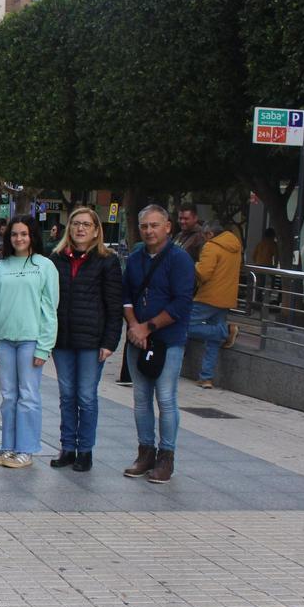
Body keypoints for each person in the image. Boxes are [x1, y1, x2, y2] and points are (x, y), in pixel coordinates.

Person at [122, 204, 196, 484]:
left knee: (165, 398)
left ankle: (166, 456)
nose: (149, 231)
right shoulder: (135, 258)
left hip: (168, 340)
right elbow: (126, 296)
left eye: (154, 225)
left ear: (167, 227)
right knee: (141, 398)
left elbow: (182, 302)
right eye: (144, 226)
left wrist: (148, 327)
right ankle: (145, 453)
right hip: (137, 339)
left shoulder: (180, 260)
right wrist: (134, 326)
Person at [48, 207, 122, 472]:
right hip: (63, 340)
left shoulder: (107, 260)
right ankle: (68, 447)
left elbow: (114, 305)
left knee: (86, 396)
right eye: (76, 223)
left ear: (95, 231)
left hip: (92, 341)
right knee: (67, 395)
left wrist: (110, 342)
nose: (80, 229)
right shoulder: (56, 259)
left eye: (86, 224)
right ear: (69, 228)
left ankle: (85, 451)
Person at [0, 216, 59, 469]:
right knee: (8, 396)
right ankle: (8, 446)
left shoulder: (45, 266)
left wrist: (44, 346)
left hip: (31, 340)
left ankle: (25, 449)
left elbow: (50, 309)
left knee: (28, 395)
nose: (19, 238)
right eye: (14, 234)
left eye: (24, 234)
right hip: (4, 340)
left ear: (32, 236)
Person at [188, 220, 243, 389]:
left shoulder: (211, 246)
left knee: (183, 324)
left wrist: (194, 265)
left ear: (210, 234)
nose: (204, 239)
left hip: (208, 297)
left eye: (204, 236)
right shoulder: (235, 246)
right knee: (212, 341)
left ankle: (226, 331)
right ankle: (206, 377)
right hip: (226, 298)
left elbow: (203, 273)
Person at [251, 227, 279, 306]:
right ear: (273, 236)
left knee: (258, 284)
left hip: (258, 266)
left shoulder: (260, 243)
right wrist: (275, 266)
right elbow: (276, 256)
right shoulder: (272, 244)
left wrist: (257, 263)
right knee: (270, 284)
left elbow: (253, 256)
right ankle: (265, 299)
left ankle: (257, 300)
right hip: (267, 267)